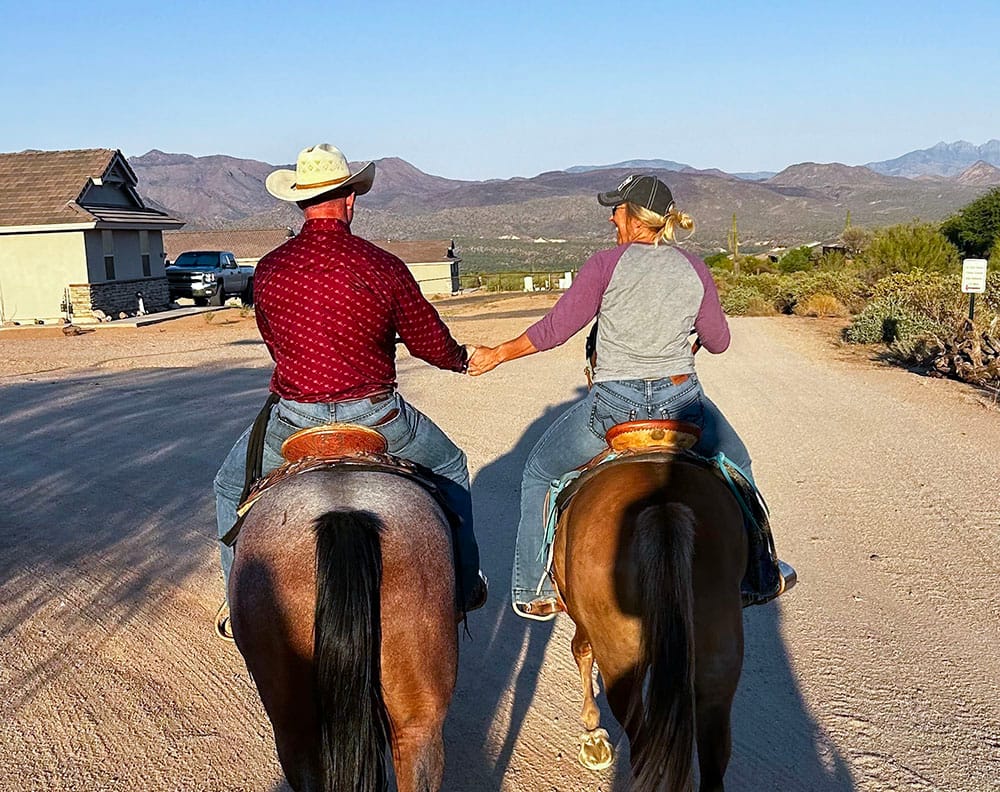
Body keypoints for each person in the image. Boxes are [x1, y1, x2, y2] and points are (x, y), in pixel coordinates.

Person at [468, 173, 788, 621]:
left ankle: (534, 585)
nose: (611, 218)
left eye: (616, 210)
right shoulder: (694, 267)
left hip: (614, 406)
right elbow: (719, 342)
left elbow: (557, 330)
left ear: (635, 216)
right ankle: (758, 574)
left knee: (539, 472)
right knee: (739, 463)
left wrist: (499, 354)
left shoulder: (604, 264)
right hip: (683, 404)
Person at [213, 143, 487, 638]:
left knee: (229, 486)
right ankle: (465, 583)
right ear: (351, 199)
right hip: (377, 416)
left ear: (300, 201)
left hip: (293, 417)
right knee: (450, 465)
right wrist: (461, 359)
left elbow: (275, 342)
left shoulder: (270, 270)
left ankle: (236, 602)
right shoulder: (383, 265)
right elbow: (429, 342)